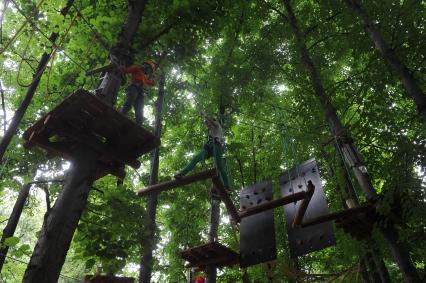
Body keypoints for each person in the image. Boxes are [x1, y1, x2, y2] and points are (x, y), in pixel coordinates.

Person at [175, 116, 230, 192]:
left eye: (208, 123)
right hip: (209, 146)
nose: (207, 125)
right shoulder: (210, 132)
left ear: (211, 121)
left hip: (217, 145)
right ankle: (182, 173)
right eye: (206, 124)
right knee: (195, 158)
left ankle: (227, 186)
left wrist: (205, 116)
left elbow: (213, 123)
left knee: (219, 167)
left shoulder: (217, 125)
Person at [120, 60, 156, 125]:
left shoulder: (145, 77)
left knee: (139, 109)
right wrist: (122, 66)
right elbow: (126, 70)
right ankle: (121, 114)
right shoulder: (137, 69)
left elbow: (153, 83)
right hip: (133, 87)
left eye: (150, 71)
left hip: (140, 92)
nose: (148, 72)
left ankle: (139, 124)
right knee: (129, 103)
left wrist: (153, 76)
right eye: (149, 70)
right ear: (146, 66)